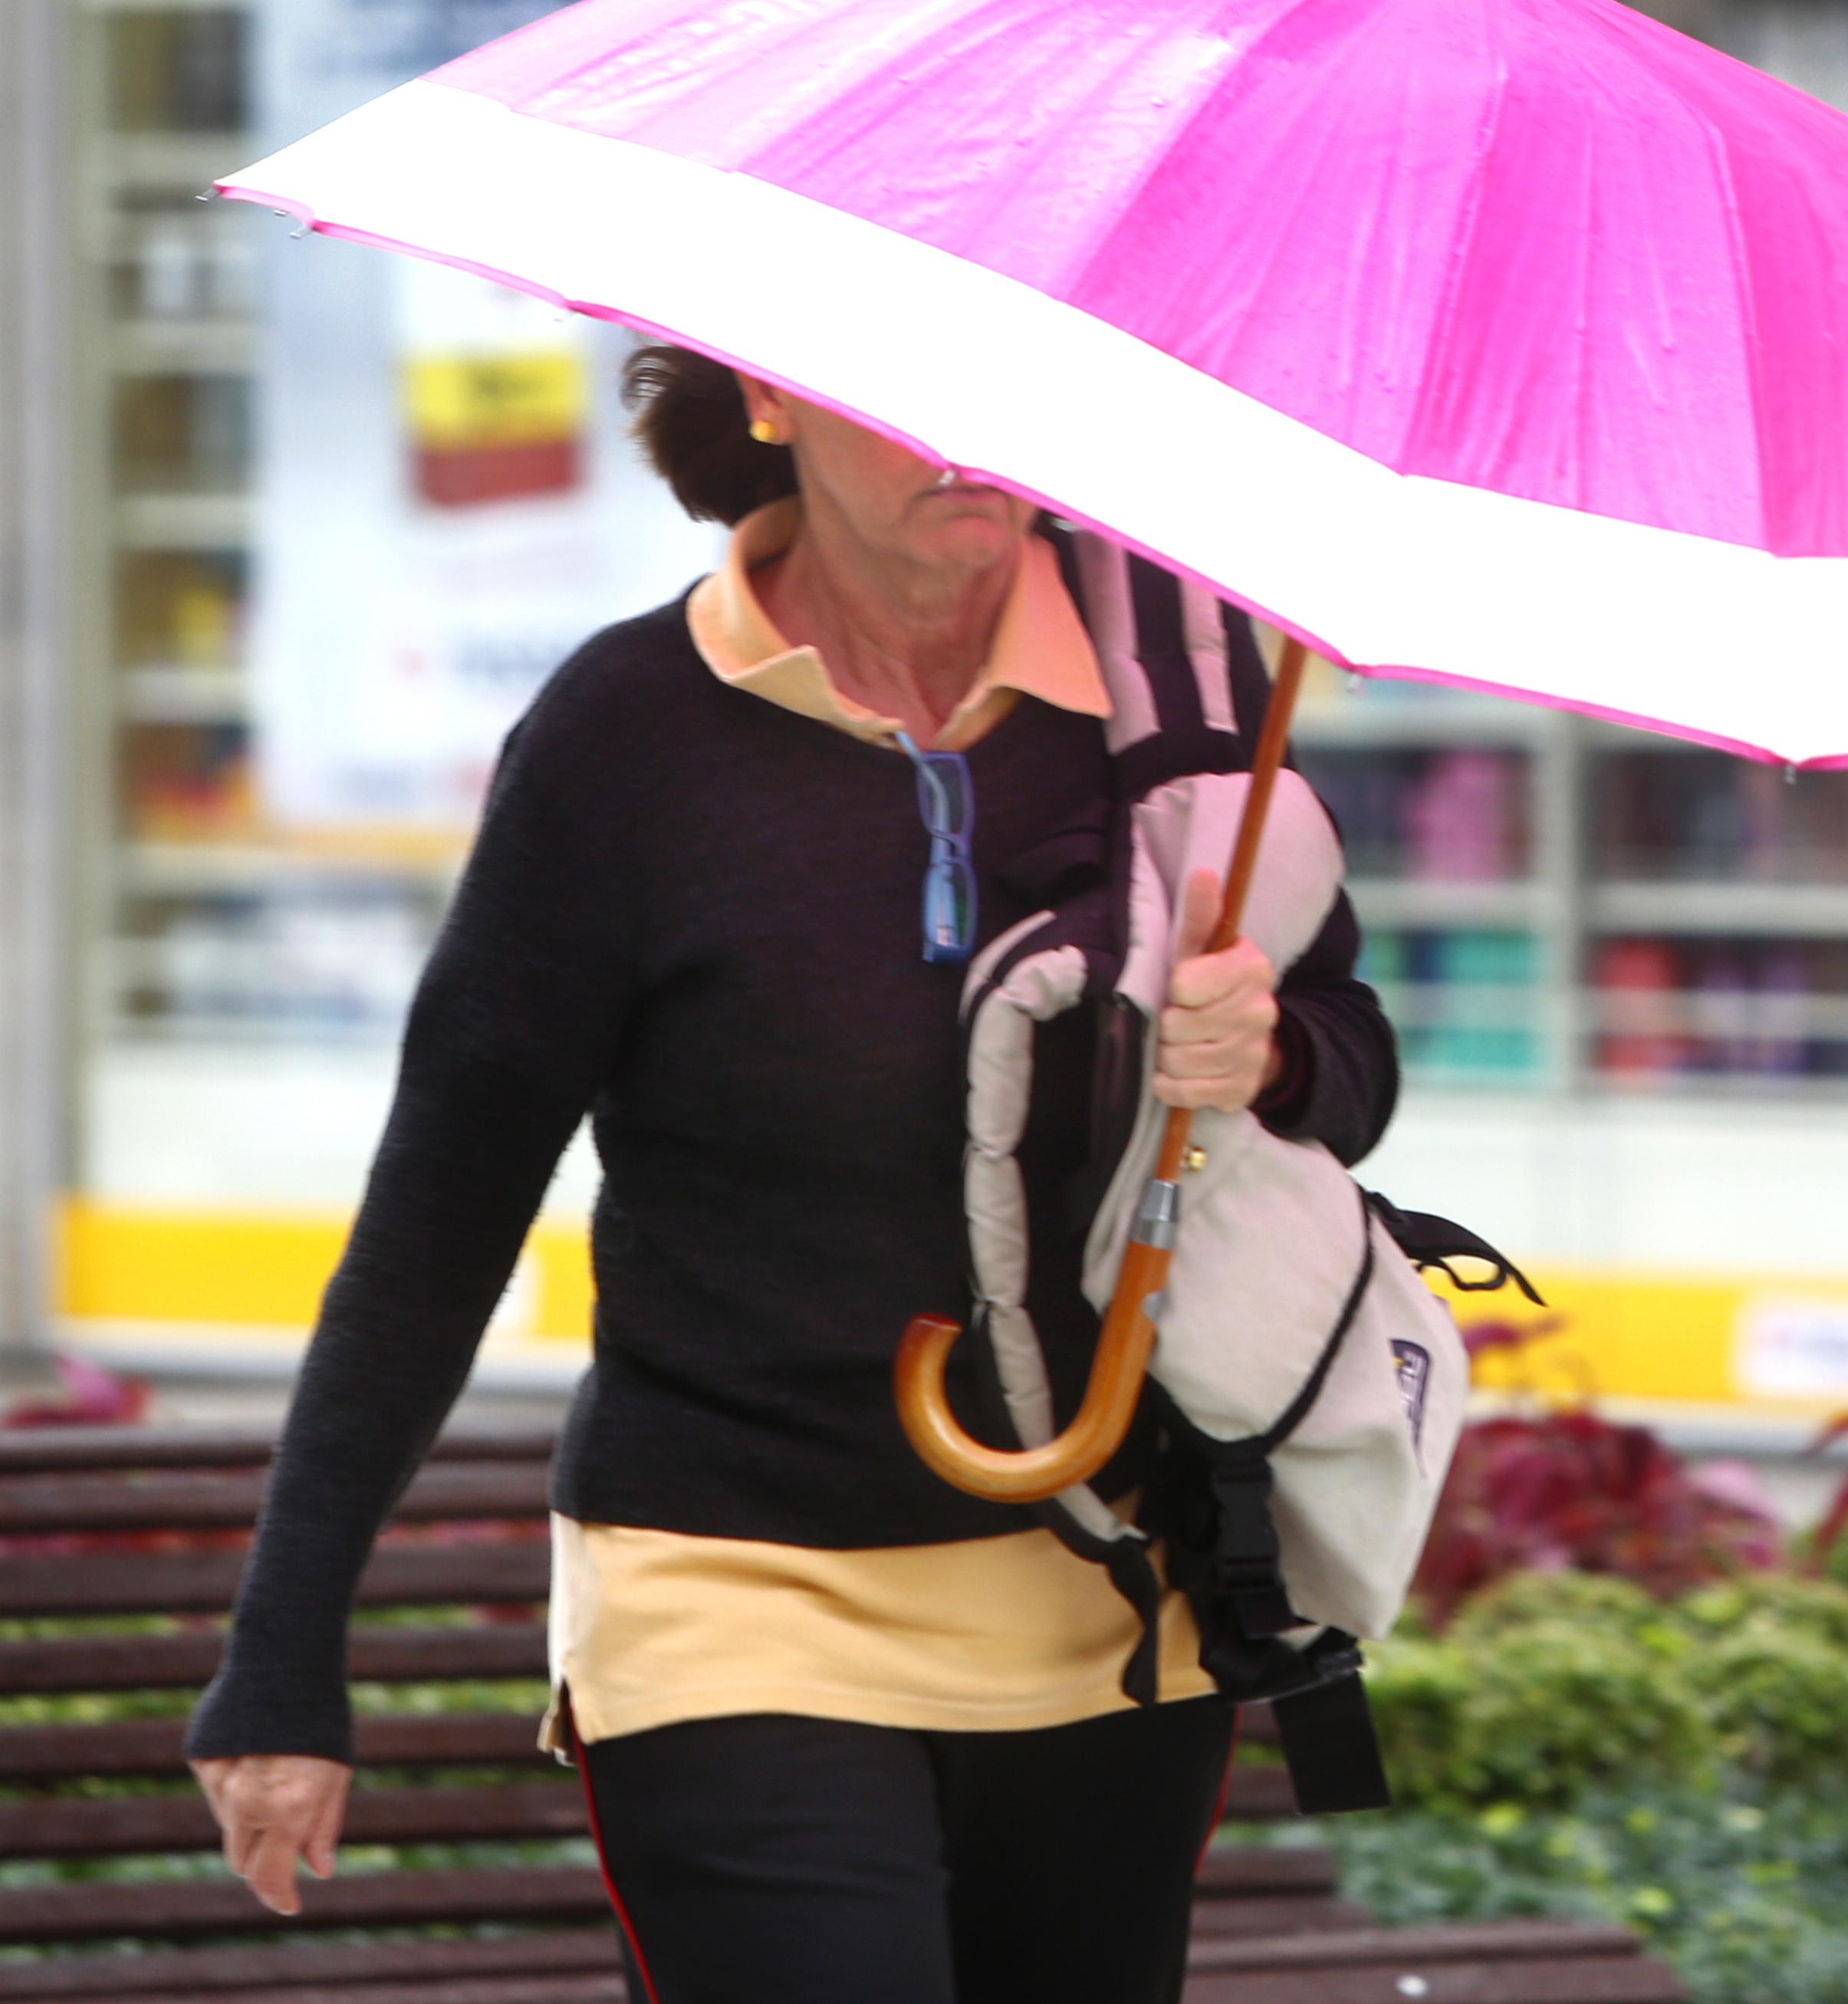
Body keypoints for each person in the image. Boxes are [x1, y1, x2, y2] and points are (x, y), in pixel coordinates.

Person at [184, 350, 1398, 2004]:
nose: (972, 443)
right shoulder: (629, 732)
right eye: (913, 392)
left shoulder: (1171, 706)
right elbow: (445, 1199)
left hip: (1105, 1585)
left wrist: (1262, 1052)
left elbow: (1353, 1058)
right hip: (730, 1585)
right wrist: (280, 1656)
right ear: (772, 400)